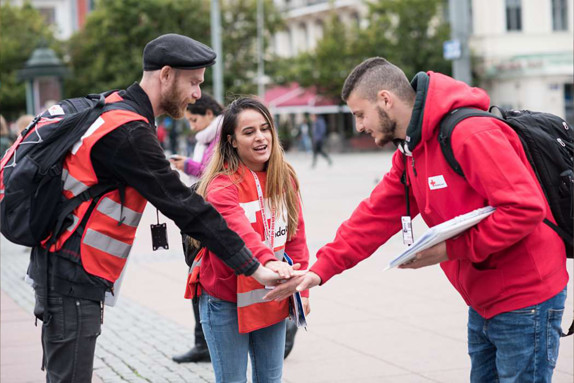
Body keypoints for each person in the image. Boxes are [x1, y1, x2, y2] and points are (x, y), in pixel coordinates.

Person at [265, 57, 569, 382]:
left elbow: (524, 209)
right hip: (484, 297)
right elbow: (373, 216)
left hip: (526, 297)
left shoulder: (470, 133)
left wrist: (450, 249)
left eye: (360, 114)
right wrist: (319, 271)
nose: (359, 126)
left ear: (385, 100)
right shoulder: (411, 150)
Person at [25, 34, 293, 383]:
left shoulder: (117, 107)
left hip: (71, 272)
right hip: (71, 275)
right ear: (165, 74)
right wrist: (254, 266)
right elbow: (186, 207)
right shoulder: (129, 132)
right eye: (194, 82)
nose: (198, 94)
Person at [188, 96, 310, 382]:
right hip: (225, 299)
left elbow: (296, 237)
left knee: (270, 379)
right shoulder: (221, 186)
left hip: (271, 294)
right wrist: (269, 260)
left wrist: (302, 291)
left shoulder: (284, 177)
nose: (260, 137)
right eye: (249, 132)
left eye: (265, 128)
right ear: (231, 141)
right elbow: (239, 233)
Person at [170, 93, 223, 182]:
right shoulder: (206, 138)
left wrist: (188, 165)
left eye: (194, 120)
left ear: (209, 113)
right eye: (189, 121)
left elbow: (217, 174)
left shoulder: (223, 136)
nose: (192, 127)